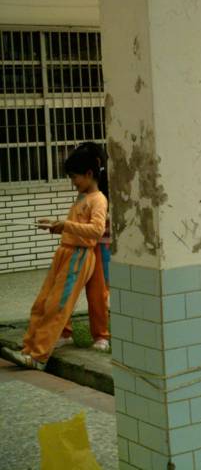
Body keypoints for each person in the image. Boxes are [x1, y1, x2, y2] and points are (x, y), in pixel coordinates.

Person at [2, 142, 108, 370]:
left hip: (79, 258)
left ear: (89, 174)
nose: (73, 182)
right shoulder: (82, 197)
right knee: (42, 303)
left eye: (74, 177)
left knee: (56, 306)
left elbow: (96, 230)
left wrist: (65, 225)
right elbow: (75, 227)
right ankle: (28, 349)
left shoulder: (98, 199)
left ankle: (38, 357)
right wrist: (54, 225)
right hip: (64, 253)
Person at [57, 143, 112, 352]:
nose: (73, 182)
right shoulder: (85, 191)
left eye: (74, 177)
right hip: (81, 246)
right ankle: (64, 332)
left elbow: (99, 223)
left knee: (98, 293)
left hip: (100, 245)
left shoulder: (104, 188)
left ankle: (101, 335)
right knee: (67, 289)